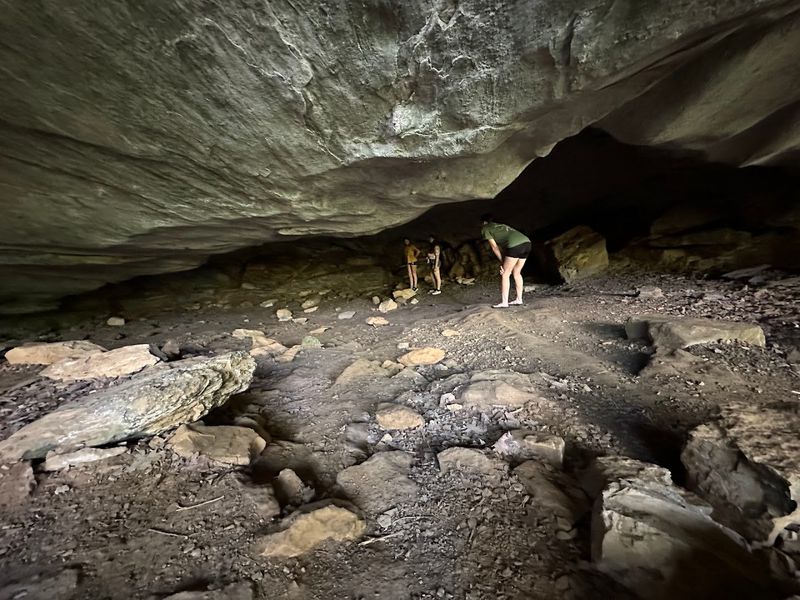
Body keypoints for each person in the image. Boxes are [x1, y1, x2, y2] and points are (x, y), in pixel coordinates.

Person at [480, 214, 531, 308]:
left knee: (505, 274)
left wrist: (502, 262)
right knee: (517, 273)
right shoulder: (501, 225)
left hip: (515, 246)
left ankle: (504, 302)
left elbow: (494, 247)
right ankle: (519, 299)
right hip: (527, 243)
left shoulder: (485, 228)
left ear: (484, 222)